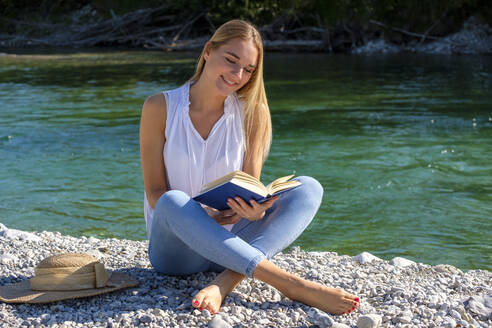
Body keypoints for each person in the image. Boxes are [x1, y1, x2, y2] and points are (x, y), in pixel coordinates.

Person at [139, 19, 360, 316]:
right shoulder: (159, 107)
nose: (237, 75)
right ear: (207, 51)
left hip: (230, 243)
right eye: (231, 61)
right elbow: (154, 192)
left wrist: (256, 211)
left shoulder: (253, 113)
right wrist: (202, 216)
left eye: (248, 70)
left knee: (308, 188)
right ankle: (292, 285)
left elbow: (249, 185)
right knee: (172, 200)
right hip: (177, 253)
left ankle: (226, 281)